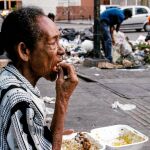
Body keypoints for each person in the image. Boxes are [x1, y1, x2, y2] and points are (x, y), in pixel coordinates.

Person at [0, 6, 78, 150]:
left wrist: (51, 135)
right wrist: (62, 100)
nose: (61, 50)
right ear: (24, 51)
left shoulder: (8, 77)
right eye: (53, 43)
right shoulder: (19, 100)